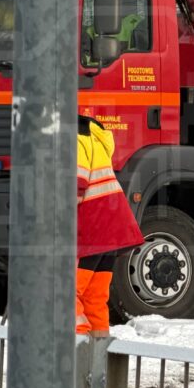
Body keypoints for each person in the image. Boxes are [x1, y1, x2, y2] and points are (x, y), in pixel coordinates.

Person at [76, 114, 144, 336]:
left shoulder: (74, 138)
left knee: (65, 293)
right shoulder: (93, 138)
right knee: (94, 298)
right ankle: (96, 360)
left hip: (91, 230)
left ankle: (77, 353)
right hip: (110, 230)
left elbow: (76, 183)